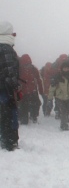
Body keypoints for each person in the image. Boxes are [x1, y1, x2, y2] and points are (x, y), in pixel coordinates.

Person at [0, 21, 20, 151]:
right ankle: (9, 142)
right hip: (4, 89)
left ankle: (5, 139)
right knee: (9, 115)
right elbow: (9, 71)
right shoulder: (6, 48)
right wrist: (15, 88)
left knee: (3, 115)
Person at [47, 61, 69, 131]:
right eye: (64, 68)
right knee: (63, 111)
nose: (66, 70)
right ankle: (64, 126)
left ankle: (64, 122)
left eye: (67, 68)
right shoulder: (57, 76)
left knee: (67, 111)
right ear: (62, 68)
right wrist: (50, 99)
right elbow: (52, 88)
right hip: (60, 98)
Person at [17, 54, 44, 124]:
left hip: (23, 91)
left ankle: (25, 119)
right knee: (34, 104)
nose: (27, 65)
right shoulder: (33, 68)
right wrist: (41, 90)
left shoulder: (19, 69)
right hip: (30, 90)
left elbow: (38, 80)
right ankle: (32, 117)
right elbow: (39, 80)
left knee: (25, 105)